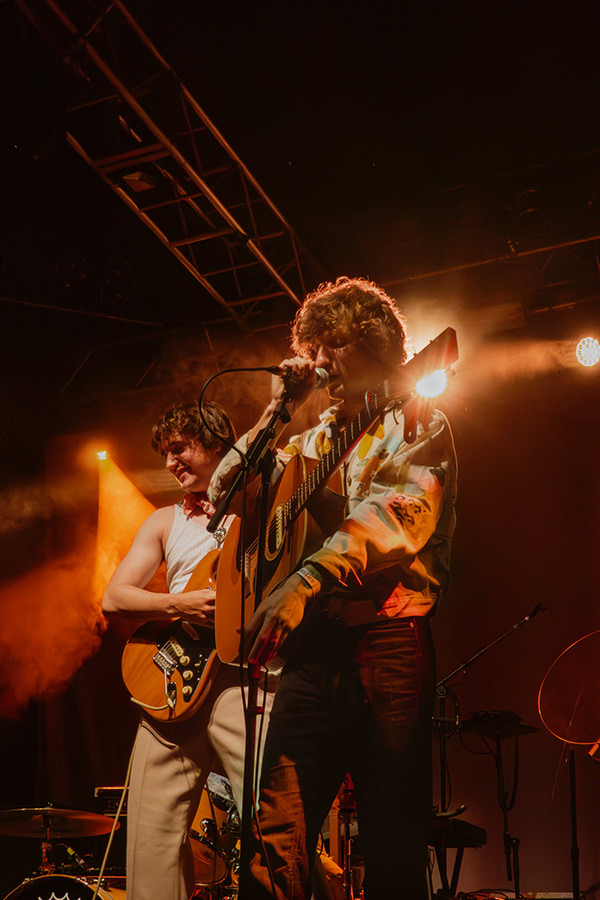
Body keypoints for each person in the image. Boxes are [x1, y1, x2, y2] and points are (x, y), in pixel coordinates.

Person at [209, 276, 458, 899]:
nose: (318, 362)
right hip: (313, 652)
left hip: (386, 640)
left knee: (392, 837)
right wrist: (275, 411)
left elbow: (396, 516)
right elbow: (220, 495)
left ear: (379, 346)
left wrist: (302, 582)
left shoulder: (419, 420)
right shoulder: (311, 441)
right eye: (313, 348)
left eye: (334, 344)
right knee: (273, 835)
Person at [102, 401, 265, 900]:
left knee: (276, 827)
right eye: (166, 454)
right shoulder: (162, 521)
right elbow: (114, 597)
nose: (170, 463)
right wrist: (178, 603)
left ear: (217, 443)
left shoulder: (261, 503)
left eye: (180, 449)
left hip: (245, 682)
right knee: (150, 847)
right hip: (171, 692)